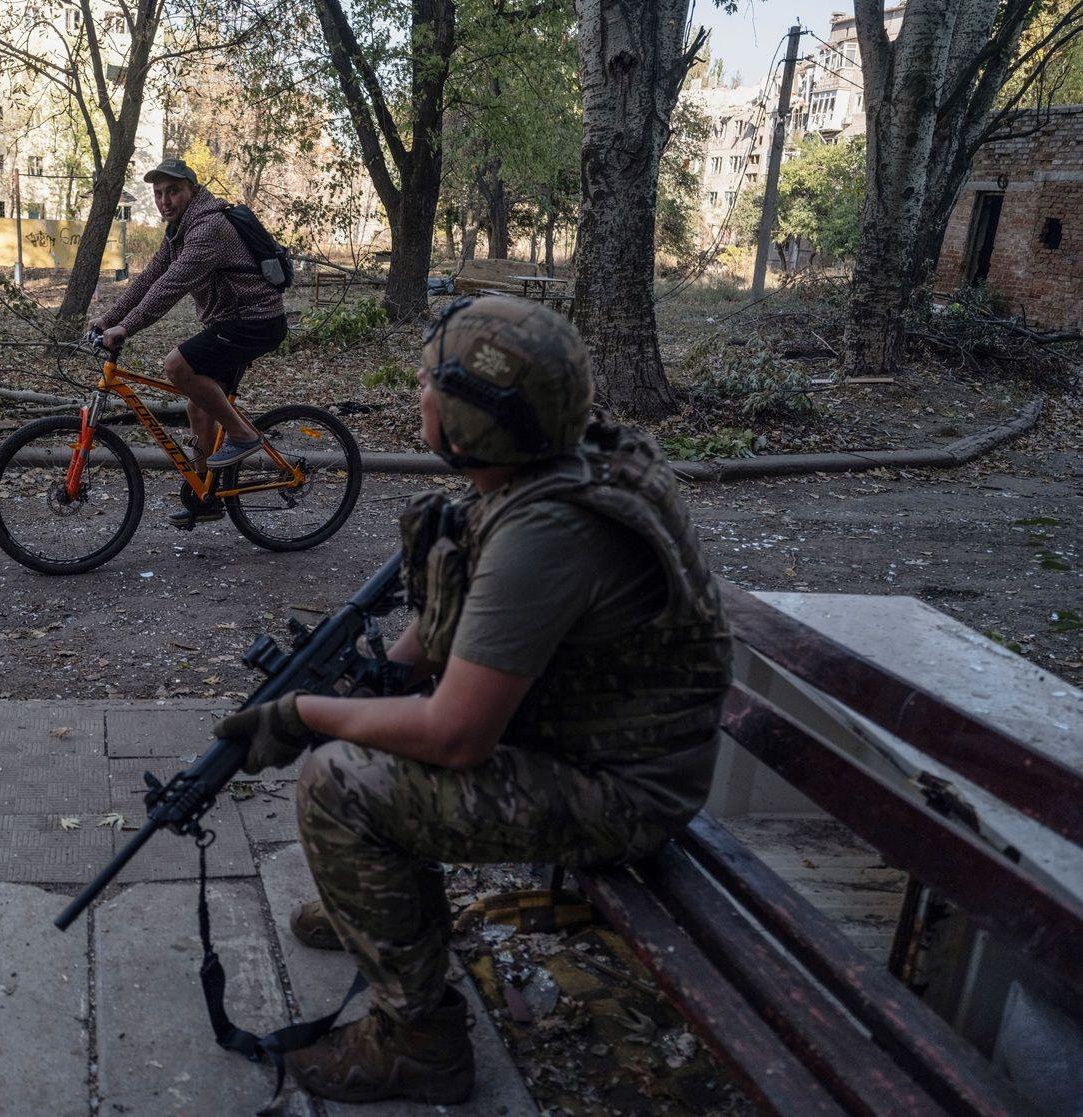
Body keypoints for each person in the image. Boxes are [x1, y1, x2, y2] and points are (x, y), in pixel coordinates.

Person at [214, 295, 733, 1105]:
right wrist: (369, 678)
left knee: (339, 781)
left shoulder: (548, 534)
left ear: (468, 420)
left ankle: (417, 1041)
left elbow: (455, 735)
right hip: (595, 747)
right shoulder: (549, 465)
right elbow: (454, 622)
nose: (416, 393)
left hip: (623, 793)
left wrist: (303, 715)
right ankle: (380, 910)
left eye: (427, 381)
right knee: (371, 729)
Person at [90, 158, 289, 528]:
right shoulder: (178, 230)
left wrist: (126, 328)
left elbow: (170, 287)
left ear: (192, 191)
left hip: (255, 321)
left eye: (173, 191)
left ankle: (243, 435)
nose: (165, 201)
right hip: (230, 321)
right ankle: (207, 498)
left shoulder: (208, 228)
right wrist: (109, 319)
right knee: (199, 409)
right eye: (159, 194)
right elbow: (150, 276)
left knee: (177, 366)